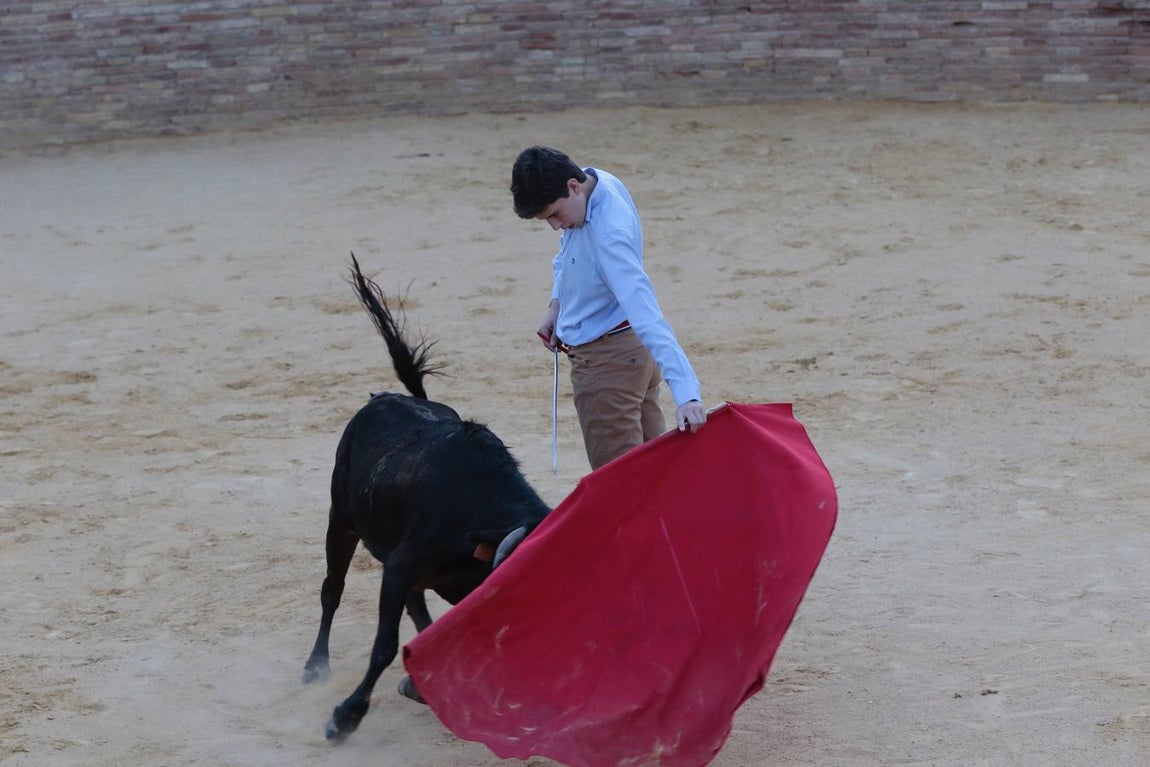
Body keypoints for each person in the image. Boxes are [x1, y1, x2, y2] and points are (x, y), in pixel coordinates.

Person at [510, 145, 707, 470]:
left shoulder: (609, 236)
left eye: (555, 214)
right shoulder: (596, 181)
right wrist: (557, 304)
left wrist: (687, 394)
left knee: (620, 491)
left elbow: (646, 312)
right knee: (658, 477)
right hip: (634, 359)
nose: (556, 227)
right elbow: (568, 251)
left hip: (607, 369)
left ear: (573, 187)